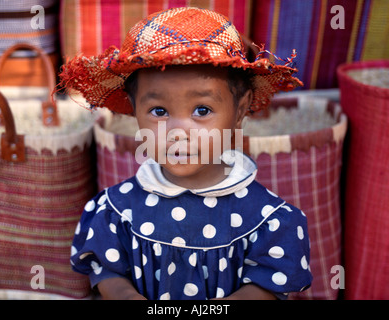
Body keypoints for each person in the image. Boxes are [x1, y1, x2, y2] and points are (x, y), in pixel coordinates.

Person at [59, 7, 312, 300]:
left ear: (240, 110)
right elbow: (106, 269)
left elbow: (269, 285)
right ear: (135, 110)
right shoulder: (117, 209)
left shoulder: (267, 218)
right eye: (159, 111)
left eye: (202, 110)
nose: (178, 131)